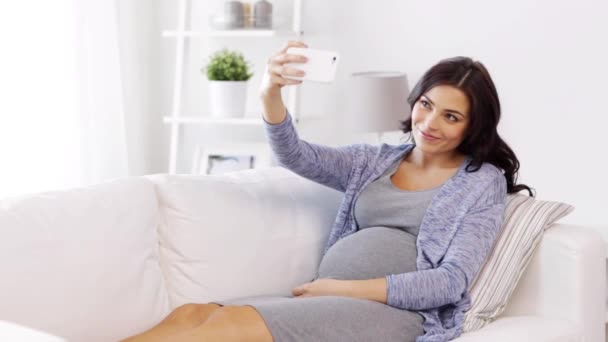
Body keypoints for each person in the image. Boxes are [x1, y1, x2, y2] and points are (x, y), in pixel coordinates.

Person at [121, 40, 534, 342]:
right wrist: (270, 92)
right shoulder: (375, 160)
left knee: (228, 328)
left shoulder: (481, 182)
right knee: (195, 315)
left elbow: (448, 283)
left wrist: (340, 287)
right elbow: (295, 155)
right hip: (326, 296)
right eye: (425, 105)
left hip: (396, 315)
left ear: (472, 126)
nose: (430, 122)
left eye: (451, 116)